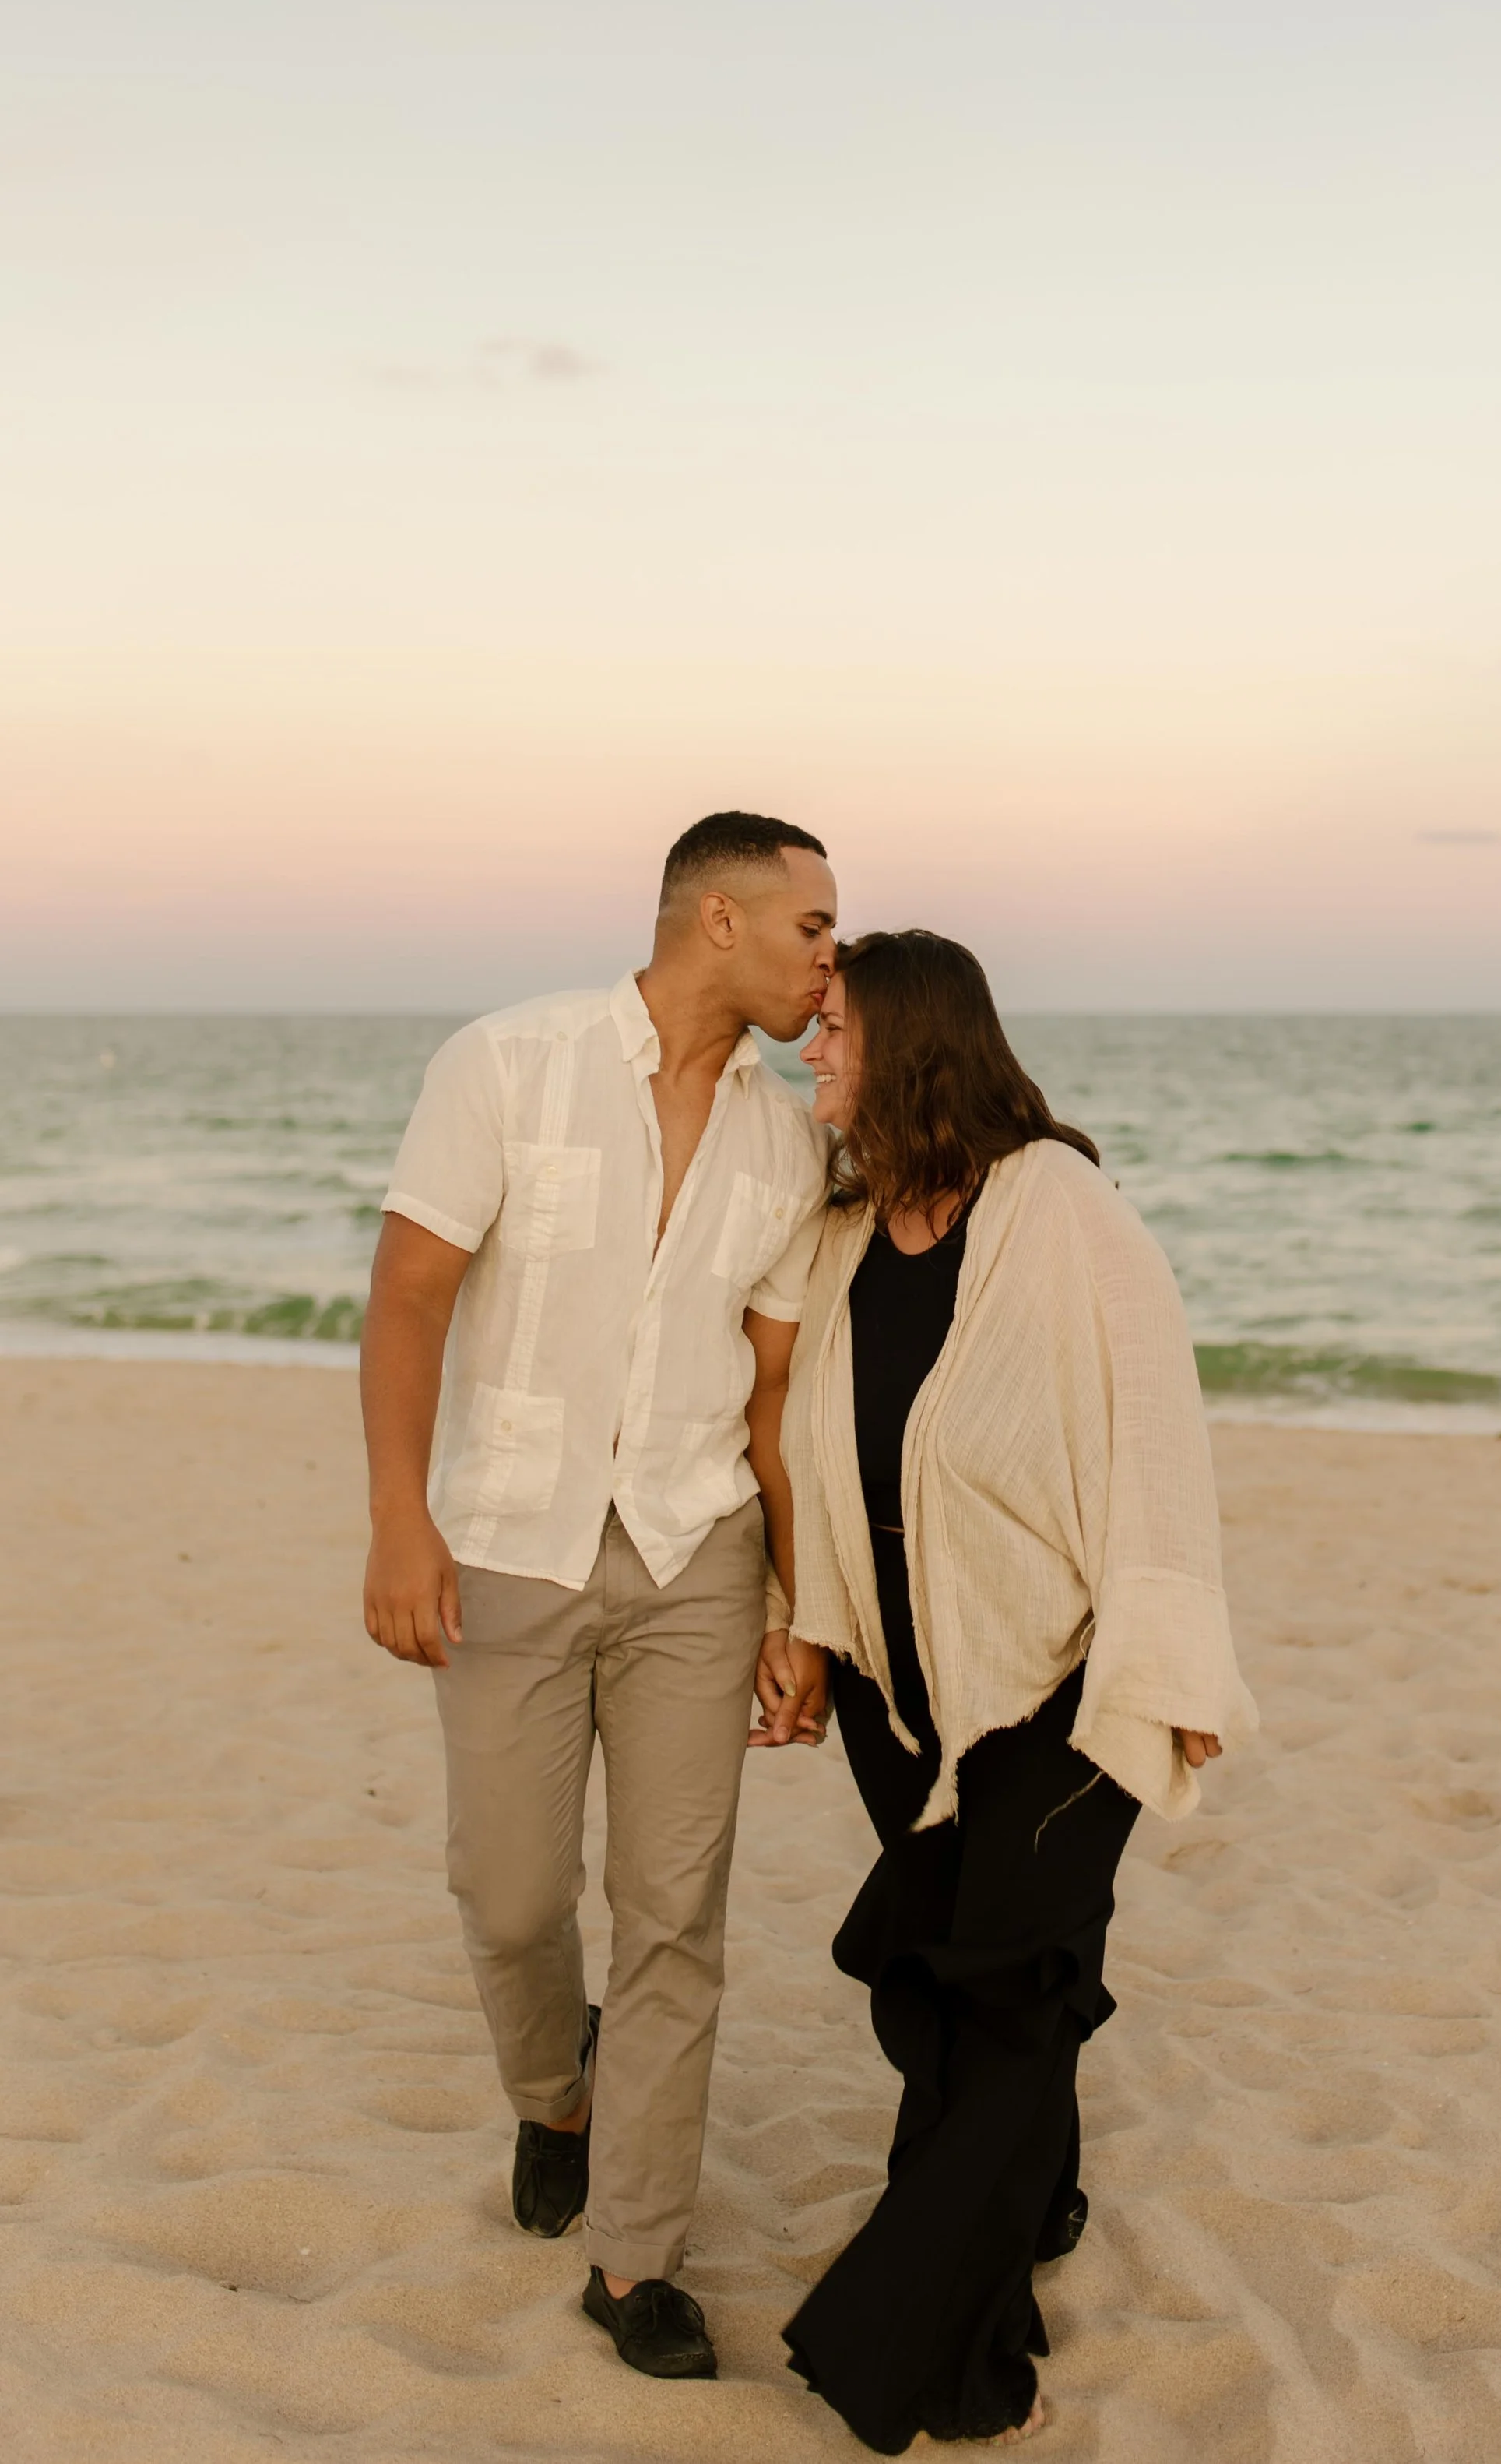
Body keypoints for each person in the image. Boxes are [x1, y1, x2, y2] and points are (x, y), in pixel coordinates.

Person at [757, 929, 1256, 2452]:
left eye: (832, 1031)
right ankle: (1033, 2204)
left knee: (1013, 1991)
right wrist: (803, 1622)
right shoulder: (836, 1229)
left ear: (908, 1044)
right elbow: (793, 1425)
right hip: (897, 1683)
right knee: (941, 1970)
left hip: (1063, 1679)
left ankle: (923, 2348)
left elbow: (1157, 1448)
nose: (810, 1055)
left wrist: (1166, 1665)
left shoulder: (1063, 1212)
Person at [360, 811, 837, 2386]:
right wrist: (399, 1524)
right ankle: (552, 2099)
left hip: (696, 1554)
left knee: (673, 1913)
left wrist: (791, 1604)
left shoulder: (788, 1139)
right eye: (811, 929)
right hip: (507, 1537)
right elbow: (410, 1296)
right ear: (717, 919)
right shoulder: (508, 1062)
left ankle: (635, 2260)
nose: (829, 960)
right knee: (505, 1895)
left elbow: (770, 1400)